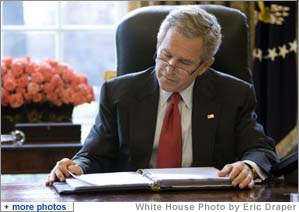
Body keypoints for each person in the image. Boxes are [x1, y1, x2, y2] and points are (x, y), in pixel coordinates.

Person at [46, 6, 279, 189]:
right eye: (165, 54)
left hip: (207, 200)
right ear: (158, 44)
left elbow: (261, 150)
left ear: (204, 65)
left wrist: (247, 166)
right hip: (135, 202)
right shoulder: (118, 93)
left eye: (184, 62)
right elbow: (94, 155)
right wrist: (77, 167)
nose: (169, 67)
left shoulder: (234, 94)